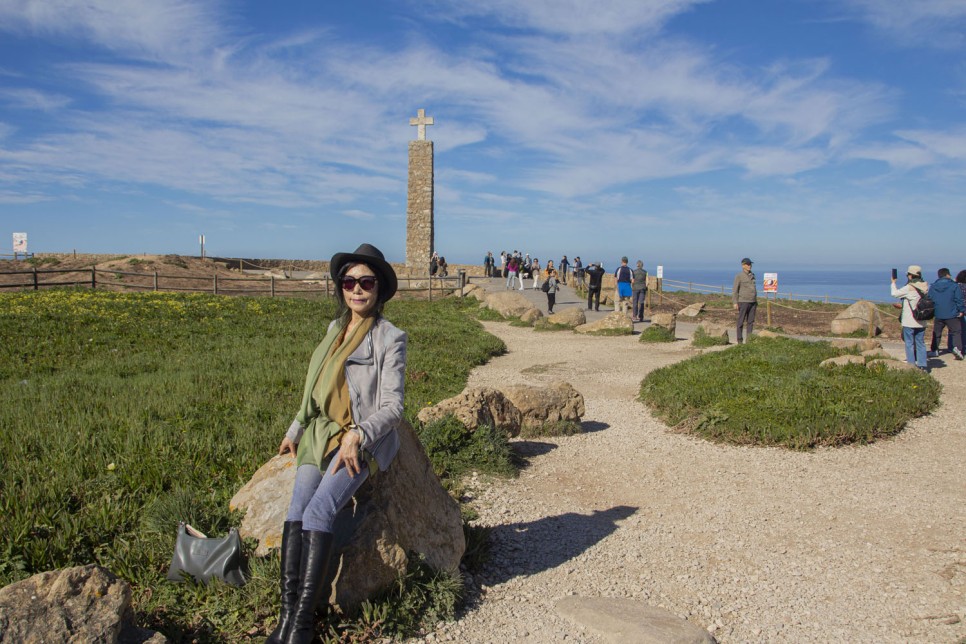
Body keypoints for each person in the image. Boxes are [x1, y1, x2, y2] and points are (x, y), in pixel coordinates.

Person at [268, 243, 406, 644]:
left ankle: (302, 627)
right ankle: (287, 619)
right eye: (349, 282)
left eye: (366, 282)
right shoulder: (333, 331)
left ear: (378, 289)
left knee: (319, 511)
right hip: (320, 432)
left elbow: (394, 406)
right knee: (296, 512)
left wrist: (359, 435)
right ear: (341, 288)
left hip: (359, 438)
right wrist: (295, 431)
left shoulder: (389, 337)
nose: (357, 289)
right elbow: (316, 391)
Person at [891, 265, 929, 371]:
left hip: (910, 320)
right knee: (920, 342)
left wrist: (893, 282)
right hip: (922, 320)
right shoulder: (925, 286)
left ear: (910, 276)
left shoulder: (909, 287)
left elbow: (894, 294)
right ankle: (922, 365)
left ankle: (911, 365)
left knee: (909, 343)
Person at [928, 268, 965, 359]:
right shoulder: (954, 286)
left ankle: (934, 350)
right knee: (956, 332)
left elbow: (929, 299)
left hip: (938, 313)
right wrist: (961, 310)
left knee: (937, 332)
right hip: (952, 313)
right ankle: (958, 349)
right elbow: (958, 299)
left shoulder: (933, 286)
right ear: (947, 275)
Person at [732, 257, 758, 344]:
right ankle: (740, 340)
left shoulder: (752, 275)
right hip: (743, 301)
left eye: (750, 264)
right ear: (743, 265)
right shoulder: (739, 276)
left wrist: (755, 301)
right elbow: (735, 290)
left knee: (750, 322)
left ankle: (749, 340)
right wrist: (735, 302)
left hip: (753, 302)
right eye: (747, 264)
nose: (749, 266)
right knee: (741, 321)